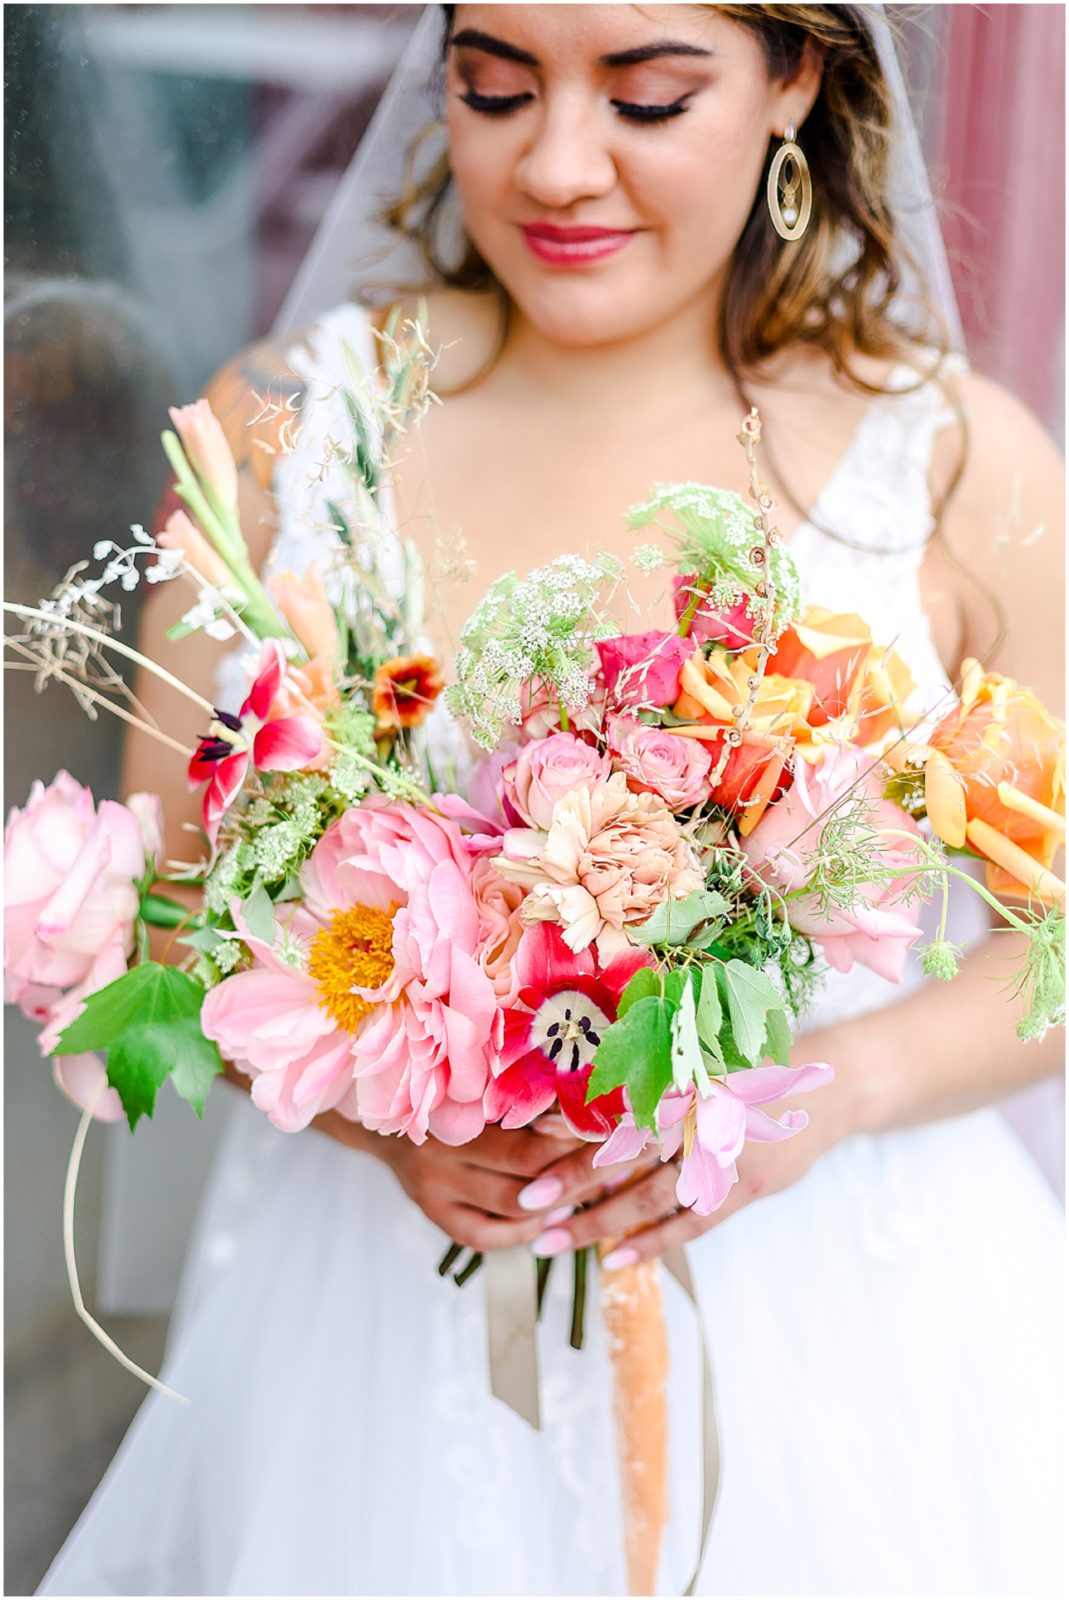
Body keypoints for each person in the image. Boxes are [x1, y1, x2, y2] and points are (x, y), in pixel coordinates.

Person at [39, 6, 1064, 1595]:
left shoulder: (942, 464)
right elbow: (164, 897)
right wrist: (384, 1121)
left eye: (648, 96)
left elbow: (1055, 939)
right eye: (495, 89)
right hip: (380, 1330)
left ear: (795, 81)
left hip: (848, 1325)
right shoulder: (291, 425)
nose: (557, 165)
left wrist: (827, 1095)